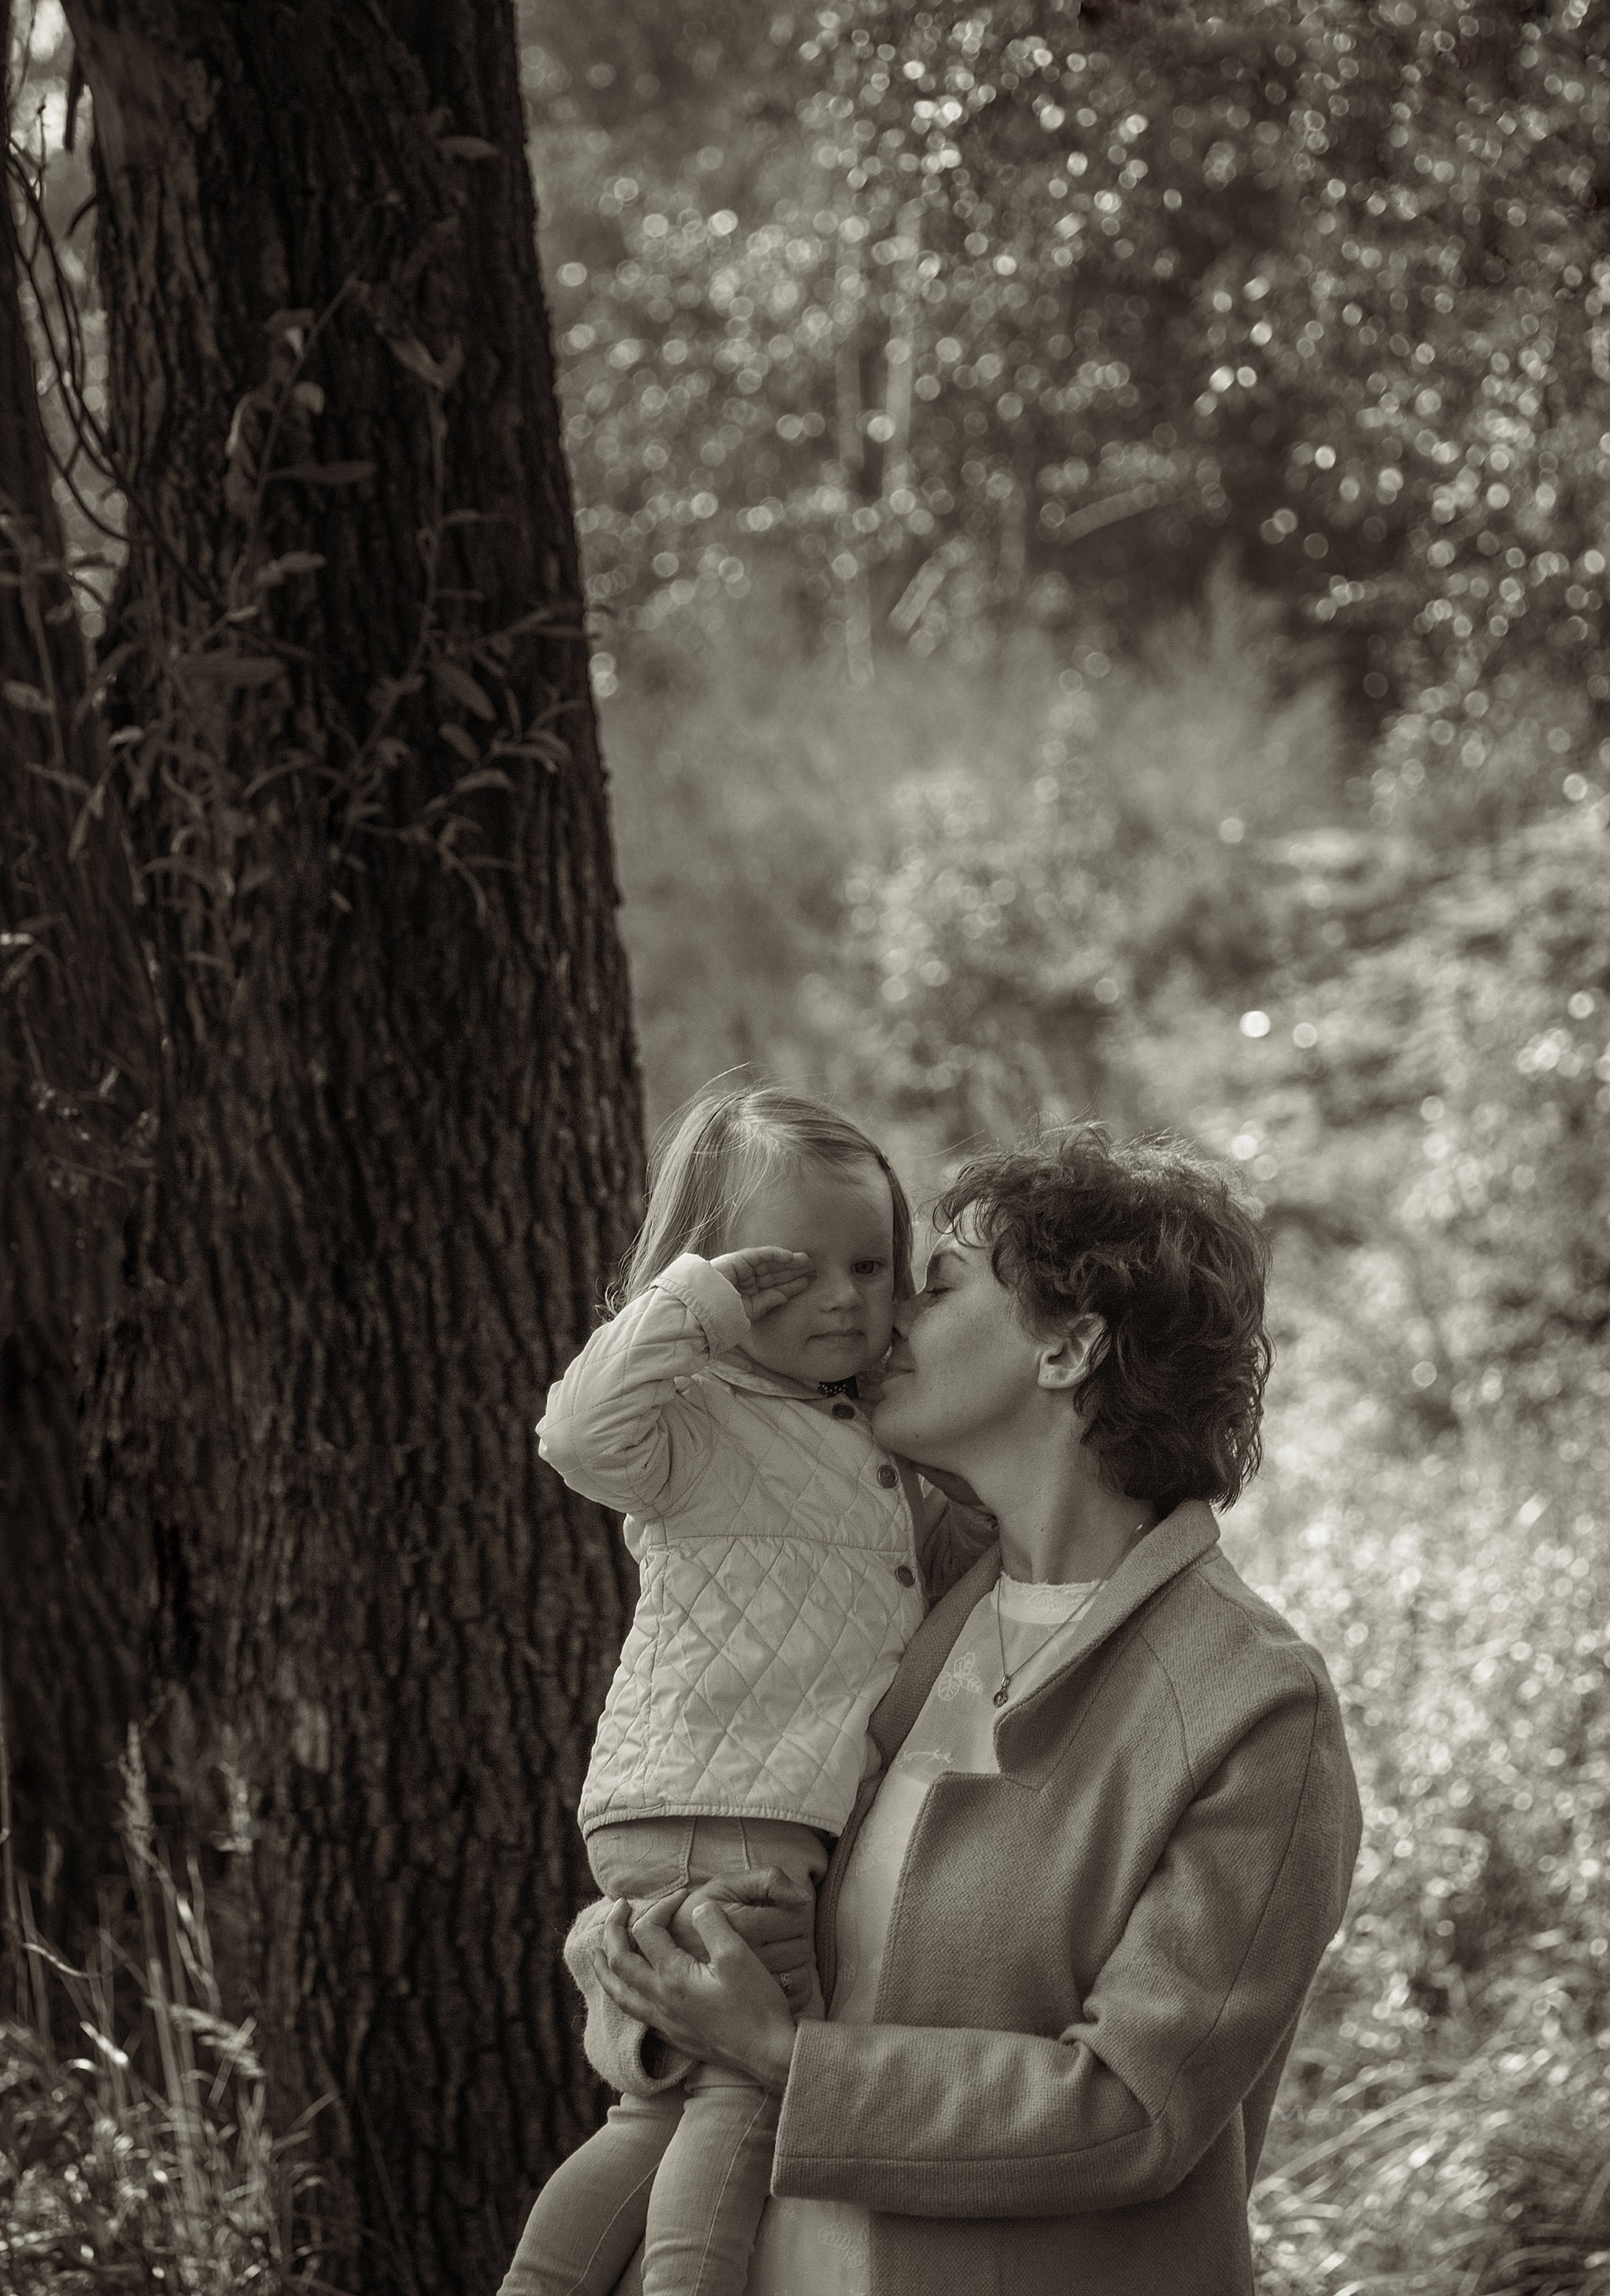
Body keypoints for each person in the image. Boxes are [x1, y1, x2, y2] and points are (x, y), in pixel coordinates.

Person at [575, 1127, 1363, 2296]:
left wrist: (789, 2061)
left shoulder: (1251, 1707)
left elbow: (1132, 2111)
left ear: (1068, 1346)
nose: (884, 1317)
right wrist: (637, 1958)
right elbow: (710, 1909)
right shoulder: (901, 1605)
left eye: (933, 1285)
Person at [501, 1080, 988, 2296]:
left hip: (715, 1811)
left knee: (648, 2116)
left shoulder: (860, 1438)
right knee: (747, 2094)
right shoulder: (696, 1421)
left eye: (872, 1267)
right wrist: (699, 1309)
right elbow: (573, 1438)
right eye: (786, 1270)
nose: (840, 1296)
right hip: (732, 1815)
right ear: (712, 1276)